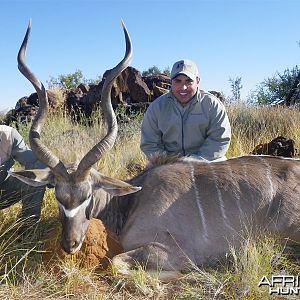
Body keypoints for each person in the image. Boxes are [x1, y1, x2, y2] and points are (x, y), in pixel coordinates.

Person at [140, 59, 231, 161]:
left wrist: (192, 162)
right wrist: (170, 163)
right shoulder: (157, 107)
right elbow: (150, 144)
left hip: (207, 163)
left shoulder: (212, 105)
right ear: (171, 82)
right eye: (178, 81)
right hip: (169, 166)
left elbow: (219, 140)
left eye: (189, 81)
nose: (183, 87)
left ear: (197, 81)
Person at [0, 124, 46, 234]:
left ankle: (27, 231)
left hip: (3, 192)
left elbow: (35, 162)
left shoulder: (7, 134)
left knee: (36, 177)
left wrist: (62, 174)